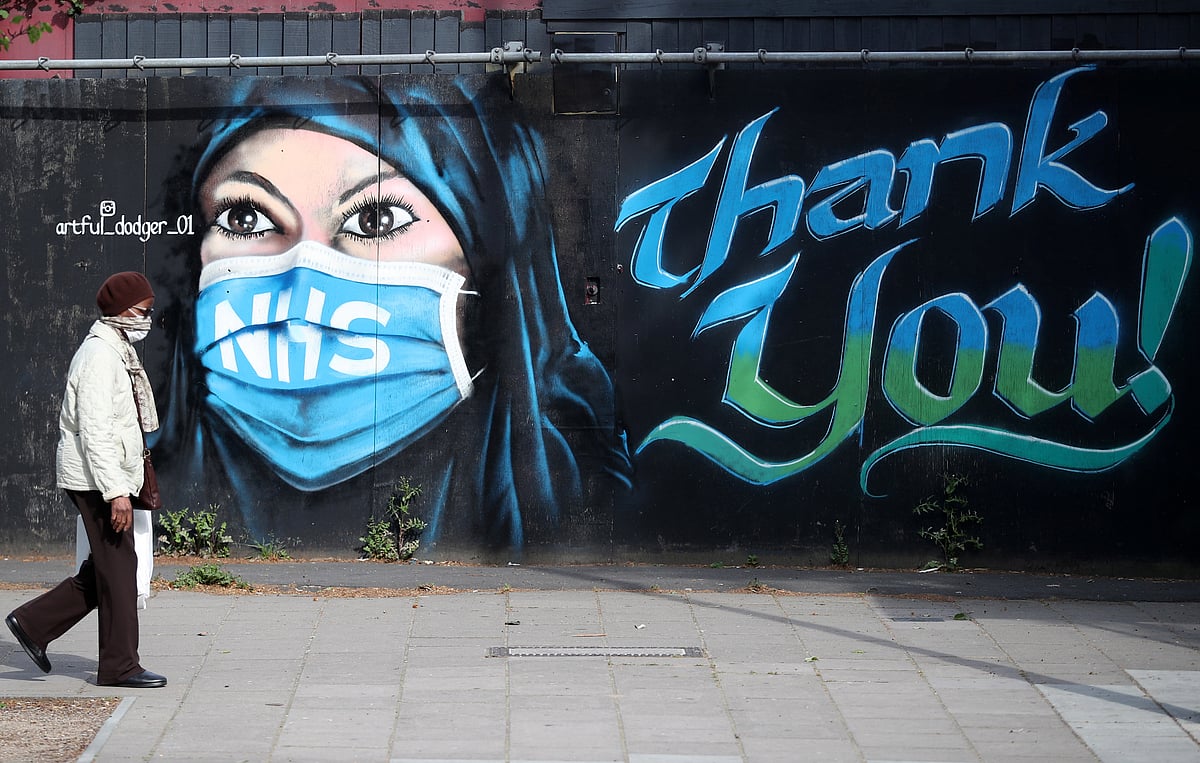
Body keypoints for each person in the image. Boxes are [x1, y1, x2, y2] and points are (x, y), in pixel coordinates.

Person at [151, 77, 632, 557]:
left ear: (485, 250)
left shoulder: (584, 472)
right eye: (244, 218)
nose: (303, 280)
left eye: (376, 219)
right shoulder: (166, 453)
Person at [5, 271, 167, 688]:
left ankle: (33, 624)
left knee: (108, 567)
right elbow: (95, 431)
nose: (149, 318)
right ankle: (119, 666)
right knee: (119, 569)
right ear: (121, 311)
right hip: (97, 480)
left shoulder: (117, 351)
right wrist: (116, 493)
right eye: (144, 310)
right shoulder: (98, 357)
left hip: (105, 476)